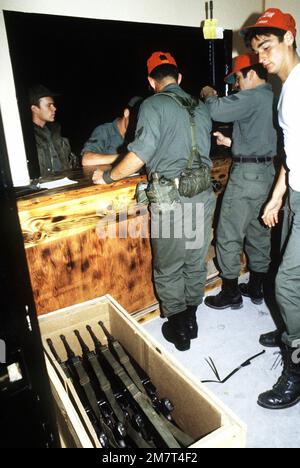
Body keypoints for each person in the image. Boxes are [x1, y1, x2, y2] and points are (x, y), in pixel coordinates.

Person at [92, 51, 215, 351]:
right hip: (201, 195)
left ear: (151, 81)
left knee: (170, 266)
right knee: (194, 260)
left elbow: (138, 156)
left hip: (171, 200)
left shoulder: (152, 104)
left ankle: (179, 329)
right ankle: (192, 318)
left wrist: (108, 177)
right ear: (179, 77)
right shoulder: (200, 106)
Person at [242, 7, 300, 409]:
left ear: (290, 39)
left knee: (285, 283)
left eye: (267, 47)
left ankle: (296, 367)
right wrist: (279, 195)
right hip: (296, 192)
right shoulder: (287, 88)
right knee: (288, 276)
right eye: (257, 51)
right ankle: (289, 331)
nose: (261, 57)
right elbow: (292, 153)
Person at [200, 53, 277, 311]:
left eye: (238, 79)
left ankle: (231, 292)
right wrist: (231, 143)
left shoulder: (253, 95)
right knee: (258, 231)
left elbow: (216, 110)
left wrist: (209, 93)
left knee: (227, 233)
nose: (237, 86)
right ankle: (257, 286)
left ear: (251, 74)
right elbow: (261, 140)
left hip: (246, 177)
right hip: (267, 173)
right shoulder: (273, 96)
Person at [81, 97, 143, 166]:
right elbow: (86, 159)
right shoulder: (104, 131)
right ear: (126, 113)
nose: (140, 124)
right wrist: (125, 158)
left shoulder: (139, 135)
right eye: (137, 119)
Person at [29, 84, 75, 177]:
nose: (54, 108)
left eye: (53, 105)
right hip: (43, 188)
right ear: (35, 109)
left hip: (65, 184)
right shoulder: (27, 138)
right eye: (49, 105)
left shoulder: (55, 131)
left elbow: (68, 162)